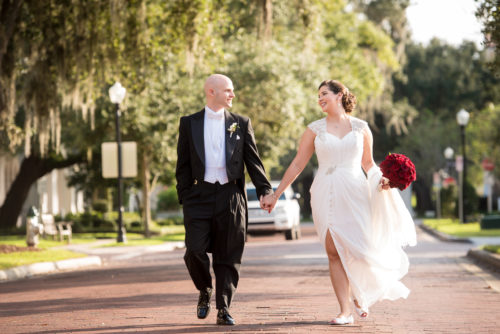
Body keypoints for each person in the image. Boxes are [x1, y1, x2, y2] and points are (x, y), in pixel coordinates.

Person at [262, 80, 417, 325]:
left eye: (324, 94)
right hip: (325, 190)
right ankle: (345, 311)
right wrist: (276, 193)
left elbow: (368, 164)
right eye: (318, 95)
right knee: (333, 251)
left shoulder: (361, 128)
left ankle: (359, 293)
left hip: (355, 191)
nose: (320, 98)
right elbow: (297, 164)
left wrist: (383, 179)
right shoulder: (314, 129)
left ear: (339, 95)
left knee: (361, 248)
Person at [176, 74, 273, 326]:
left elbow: (253, 161)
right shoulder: (189, 123)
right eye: (228, 90)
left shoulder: (241, 123)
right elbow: (183, 163)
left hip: (231, 197)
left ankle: (223, 308)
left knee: (227, 255)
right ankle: (204, 289)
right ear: (211, 92)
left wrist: (264, 190)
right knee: (194, 251)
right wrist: (185, 196)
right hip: (198, 196)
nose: (232, 95)